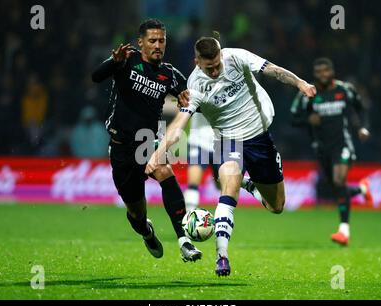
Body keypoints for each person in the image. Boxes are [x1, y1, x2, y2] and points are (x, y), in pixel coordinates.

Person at [146, 34, 316, 276]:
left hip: (259, 138)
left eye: (217, 65)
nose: (215, 71)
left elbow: (274, 70)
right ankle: (222, 256)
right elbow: (176, 126)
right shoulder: (194, 86)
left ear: (221, 54)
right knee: (228, 189)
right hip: (227, 141)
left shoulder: (237, 57)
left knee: (276, 206)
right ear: (197, 62)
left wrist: (300, 83)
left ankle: (250, 184)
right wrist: (157, 154)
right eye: (209, 67)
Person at [92, 19, 202, 262]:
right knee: (136, 215)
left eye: (162, 40)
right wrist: (114, 62)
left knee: (164, 169)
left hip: (146, 143)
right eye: (152, 40)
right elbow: (96, 76)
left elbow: (194, 99)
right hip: (120, 148)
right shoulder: (127, 61)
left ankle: (184, 240)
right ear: (140, 42)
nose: (157, 45)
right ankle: (146, 231)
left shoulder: (170, 75)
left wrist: (189, 100)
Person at [290, 57, 373, 246]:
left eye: (325, 71)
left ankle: (344, 230)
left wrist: (363, 127)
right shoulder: (308, 92)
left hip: (342, 144)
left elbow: (362, 109)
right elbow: (293, 118)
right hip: (321, 148)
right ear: (314, 74)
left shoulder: (344, 90)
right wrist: (308, 119)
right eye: (318, 72)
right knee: (336, 188)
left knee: (338, 181)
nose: (322, 75)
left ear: (332, 71)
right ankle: (362, 189)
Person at [184, 102, 267, 211]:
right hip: (198, 140)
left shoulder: (230, 90)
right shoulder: (195, 87)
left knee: (221, 183)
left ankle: (245, 182)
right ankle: (187, 223)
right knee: (193, 182)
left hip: (221, 140)